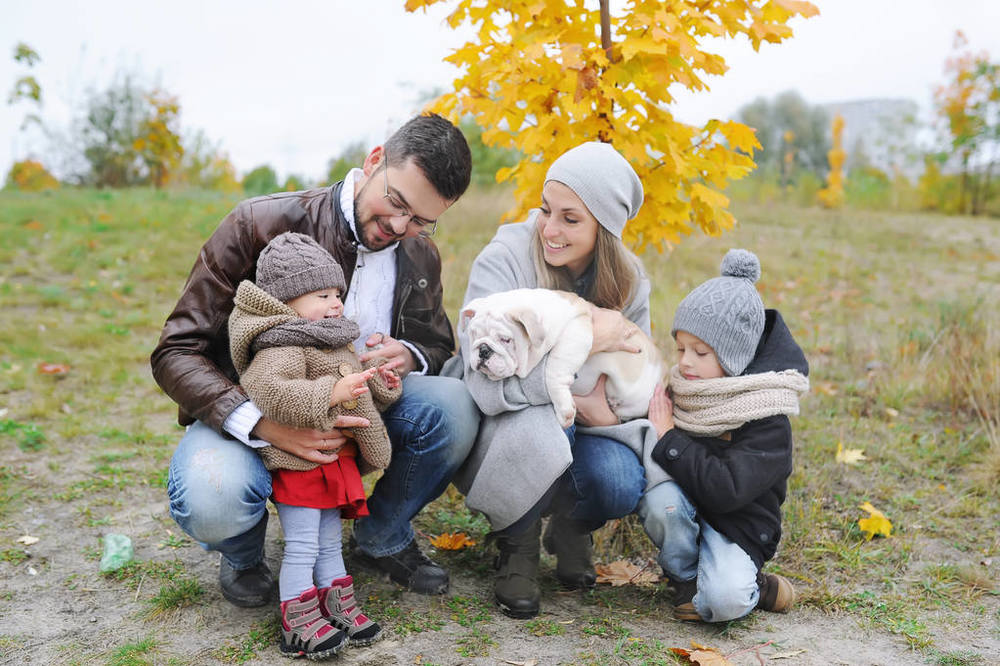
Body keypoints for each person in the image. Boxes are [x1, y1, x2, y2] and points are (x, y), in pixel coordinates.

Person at [151, 113, 479, 608]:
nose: (399, 226)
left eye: (420, 220)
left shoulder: (420, 253)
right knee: (210, 495)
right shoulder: (258, 223)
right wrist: (262, 424)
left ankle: (382, 535)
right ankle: (243, 554)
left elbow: (436, 344)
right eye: (395, 202)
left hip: (360, 413)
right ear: (374, 161)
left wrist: (408, 355)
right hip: (257, 409)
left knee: (456, 406)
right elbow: (177, 350)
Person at [443, 141, 656, 619]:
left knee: (619, 481)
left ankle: (570, 526)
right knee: (546, 424)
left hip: (592, 424)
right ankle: (516, 540)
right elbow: (482, 378)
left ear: (605, 229)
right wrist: (582, 357)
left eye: (570, 219)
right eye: (545, 210)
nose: (550, 229)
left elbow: (636, 377)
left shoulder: (630, 281)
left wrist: (607, 413)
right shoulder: (506, 258)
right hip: (505, 422)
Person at [229, 232, 400, 658]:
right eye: (322, 295)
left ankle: (336, 605)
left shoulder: (331, 337)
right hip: (300, 464)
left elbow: (357, 389)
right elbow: (270, 391)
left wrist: (379, 382)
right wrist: (330, 392)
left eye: (337, 293)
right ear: (286, 302)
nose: (335, 303)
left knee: (329, 542)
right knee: (303, 545)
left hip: (333, 462)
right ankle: (297, 621)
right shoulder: (282, 343)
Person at [638, 248, 810, 623]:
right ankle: (686, 580)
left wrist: (669, 438)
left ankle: (754, 586)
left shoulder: (766, 415)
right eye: (681, 348)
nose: (685, 361)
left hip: (738, 527)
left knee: (724, 602)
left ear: (736, 356)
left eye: (701, 352)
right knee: (660, 500)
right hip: (688, 509)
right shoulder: (685, 392)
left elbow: (726, 489)